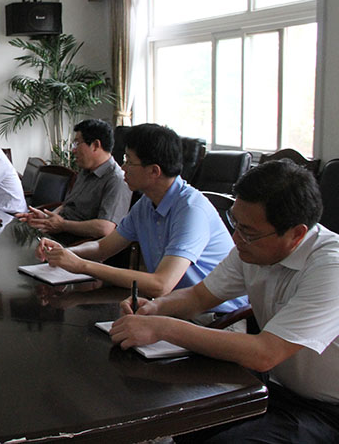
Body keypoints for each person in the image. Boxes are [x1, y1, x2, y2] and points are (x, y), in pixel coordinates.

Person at [110, 160, 339, 443]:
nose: (236, 238)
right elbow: (199, 296)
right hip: (274, 386)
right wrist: (155, 307)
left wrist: (164, 327)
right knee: (185, 417)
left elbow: (265, 353)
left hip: (326, 409)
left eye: (249, 232)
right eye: (235, 223)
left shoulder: (330, 268)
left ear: (297, 234)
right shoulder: (253, 249)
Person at [35, 123, 246, 312]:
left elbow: (161, 284)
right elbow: (103, 247)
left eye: (129, 161)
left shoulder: (191, 210)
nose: (123, 168)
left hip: (218, 318)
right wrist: (64, 253)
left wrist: (81, 265)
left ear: (154, 171)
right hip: (175, 309)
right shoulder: (147, 202)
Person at [15, 119, 131, 239]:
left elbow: (105, 228)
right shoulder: (85, 171)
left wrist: (62, 225)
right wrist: (47, 218)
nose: (73, 150)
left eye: (77, 144)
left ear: (95, 145)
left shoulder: (117, 179)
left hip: (78, 242)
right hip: (58, 232)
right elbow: (67, 205)